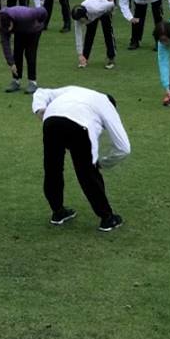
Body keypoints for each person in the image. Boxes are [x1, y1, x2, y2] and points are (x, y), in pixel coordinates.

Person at [32, 86, 129, 232]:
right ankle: (107, 218)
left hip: (51, 121)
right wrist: (102, 163)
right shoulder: (106, 105)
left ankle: (58, 212)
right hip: (79, 126)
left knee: (52, 169)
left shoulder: (75, 90)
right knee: (87, 173)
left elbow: (41, 92)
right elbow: (124, 147)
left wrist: (40, 109)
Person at [0, 5, 49, 93]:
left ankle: (32, 82)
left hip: (34, 29)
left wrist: (41, 22)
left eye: (10, 28)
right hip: (20, 29)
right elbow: (5, 43)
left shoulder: (28, 14)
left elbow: (43, 11)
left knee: (30, 54)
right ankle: (16, 81)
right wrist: (11, 63)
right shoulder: (1, 21)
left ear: (11, 22)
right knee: (17, 52)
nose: (9, 31)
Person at [72, 0, 117, 70]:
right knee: (89, 35)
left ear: (84, 16)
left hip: (103, 9)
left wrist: (111, 10)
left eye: (80, 20)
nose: (79, 22)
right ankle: (84, 58)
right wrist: (80, 54)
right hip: (91, 13)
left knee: (108, 33)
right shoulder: (77, 18)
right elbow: (78, 35)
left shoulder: (97, 9)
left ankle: (111, 58)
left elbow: (111, 4)